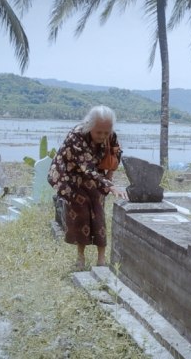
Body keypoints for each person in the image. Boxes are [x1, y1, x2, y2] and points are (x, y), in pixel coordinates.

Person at [48, 105, 128, 269]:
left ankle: (101, 259)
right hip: (71, 176)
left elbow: (116, 154)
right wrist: (110, 186)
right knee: (80, 214)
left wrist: (109, 177)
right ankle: (80, 258)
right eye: (98, 132)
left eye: (106, 132)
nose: (102, 136)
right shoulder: (76, 136)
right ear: (90, 126)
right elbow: (86, 167)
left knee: (98, 213)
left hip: (95, 176)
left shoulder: (110, 135)